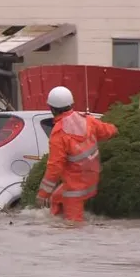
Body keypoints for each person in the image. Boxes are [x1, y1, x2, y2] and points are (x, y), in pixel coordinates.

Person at [35, 86, 118, 223]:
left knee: (73, 226)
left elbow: (54, 169)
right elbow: (107, 130)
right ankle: (55, 221)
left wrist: (42, 195)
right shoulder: (88, 120)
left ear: (52, 109)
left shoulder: (58, 134)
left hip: (76, 187)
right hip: (92, 177)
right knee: (56, 198)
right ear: (71, 104)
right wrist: (117, 128)